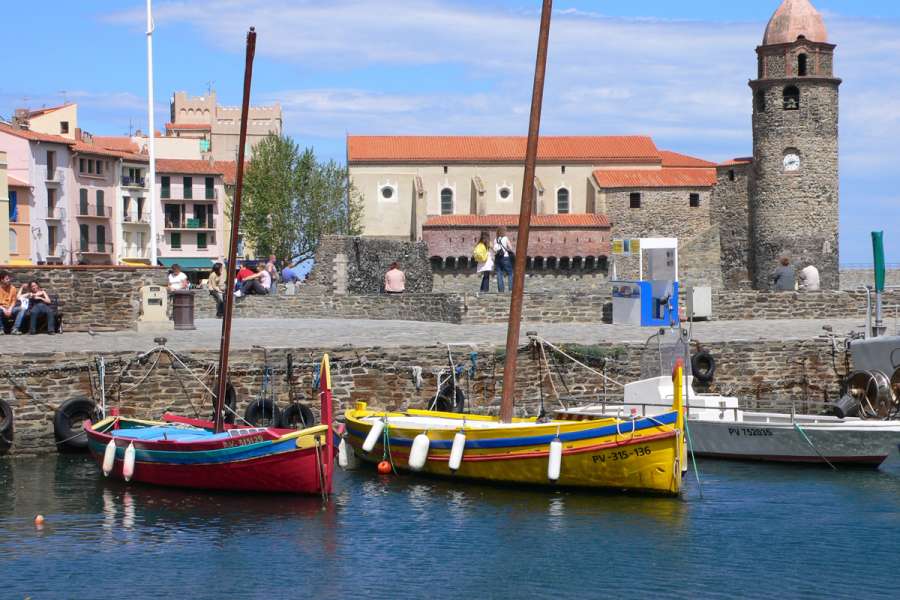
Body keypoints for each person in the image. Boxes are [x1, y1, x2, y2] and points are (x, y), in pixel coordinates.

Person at [0, 271, 26, 335]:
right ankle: (1, 329)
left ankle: (15, 329)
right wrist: (4, 309)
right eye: (7, 279)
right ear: (2, 280)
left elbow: (14, 301)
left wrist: (10, 309)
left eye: (9, 279)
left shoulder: (13, 288)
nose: (9, 280)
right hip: (1, 308)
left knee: (22, 309)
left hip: (10, 308)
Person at [493, 227, 515, 293]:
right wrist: (509, 250)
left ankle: (501, 290)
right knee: (510, 273)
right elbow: (510, 248)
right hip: (505, 258)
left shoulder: (495, 239)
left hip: (497, 258)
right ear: (503, 231)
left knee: (499, 274)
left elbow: (495, 250)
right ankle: (511, 289)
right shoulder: (505, 238)